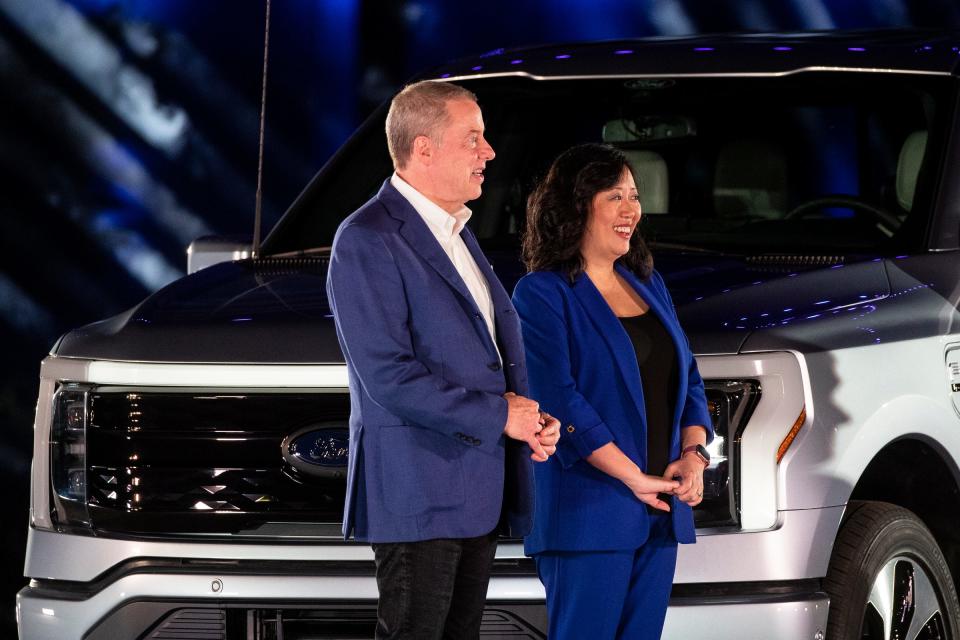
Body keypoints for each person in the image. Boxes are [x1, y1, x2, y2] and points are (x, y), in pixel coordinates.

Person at [326, 80, 561, 640]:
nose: (490, 153)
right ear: (424, 148)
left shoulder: (456, 233)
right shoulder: (368, 238)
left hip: (473, 490)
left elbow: (486, 356)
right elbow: (388, 375)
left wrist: (527, 419)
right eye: (473, 139)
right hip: (418, 492)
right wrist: (499, 416)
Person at [512, 143, 714, 639]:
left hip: (660, 512)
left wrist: (694, 456)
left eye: (634, 196)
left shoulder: (649, 283)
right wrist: (632, 478)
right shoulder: (541, 292)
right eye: (614, 197)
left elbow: (687, 379)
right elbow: (558, 397)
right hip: (588, 515)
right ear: (578, 205)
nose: (631, 210)